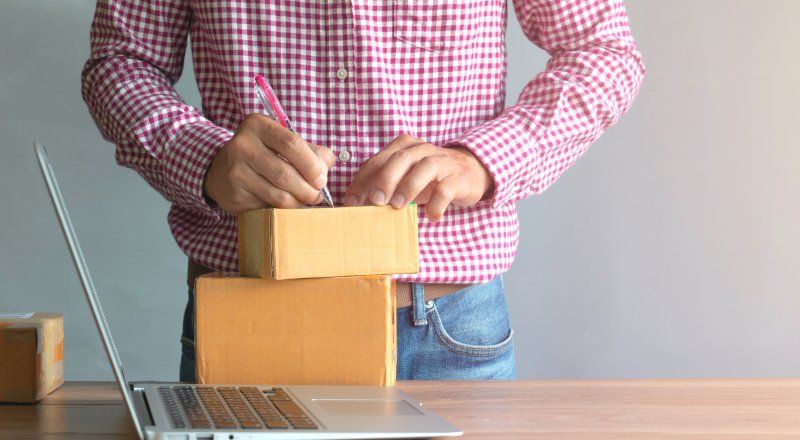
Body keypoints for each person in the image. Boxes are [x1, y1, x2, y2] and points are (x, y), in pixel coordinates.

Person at [81, 0, 644, 382]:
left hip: (444, 329)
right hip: (249, 316)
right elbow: (119, 64)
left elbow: (604, 51)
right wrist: (203, 160)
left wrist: (483, 160)